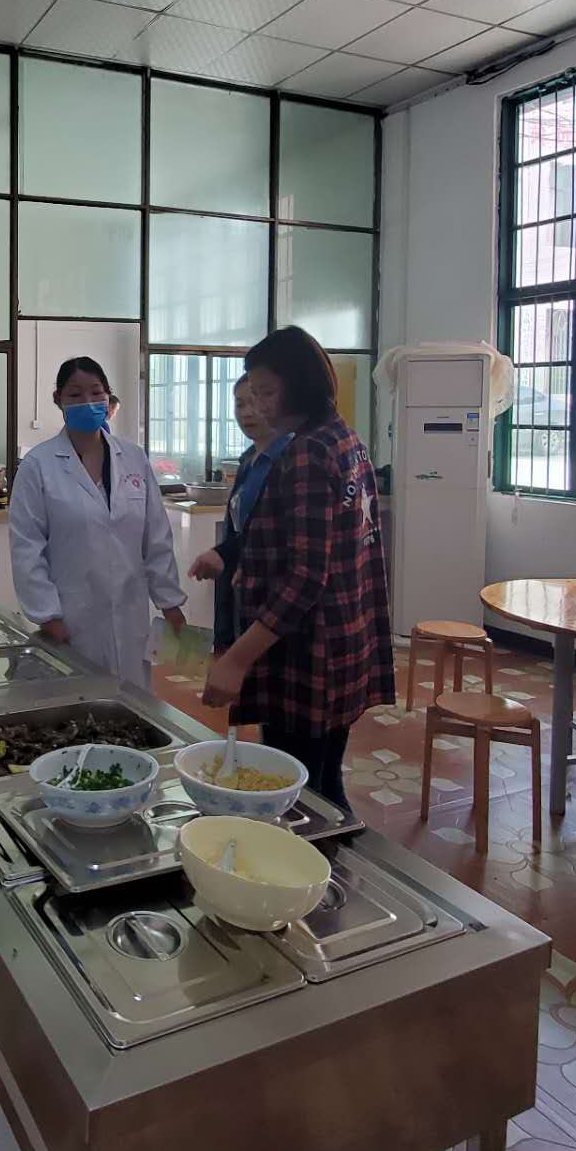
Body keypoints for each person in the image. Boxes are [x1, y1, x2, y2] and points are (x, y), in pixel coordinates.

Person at [201, 327, 394, 810]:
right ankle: (338, 851)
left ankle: (318, 857)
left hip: (307, 654)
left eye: (267, 392)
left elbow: (307, 576)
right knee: (324, 783)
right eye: (252, 393)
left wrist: (237, 658)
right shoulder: (345, 438)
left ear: (301, 383)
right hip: (344, 641)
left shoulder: (308, 452)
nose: (258, 405)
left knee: (298, 794)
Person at [9, 357, 186, 688]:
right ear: (58, 399)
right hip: (71, 619)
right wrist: (48, 615)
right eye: (75, 395)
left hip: (130, 614)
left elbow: (156, 538)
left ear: (108, 397)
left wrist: (170, 602)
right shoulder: (38, 465)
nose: (88, 402)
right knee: (79, 704)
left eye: (96, 392)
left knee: (133, 703)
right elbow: (27, 548)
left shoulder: (133, 458)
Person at [188, 374, 278, 656]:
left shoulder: (285, 460)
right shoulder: (249, 459)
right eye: (240, 404)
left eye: (255, 402)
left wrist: (224, 552)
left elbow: (273, 531)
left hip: (271, 590)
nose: (247, 412)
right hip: (239, 581)